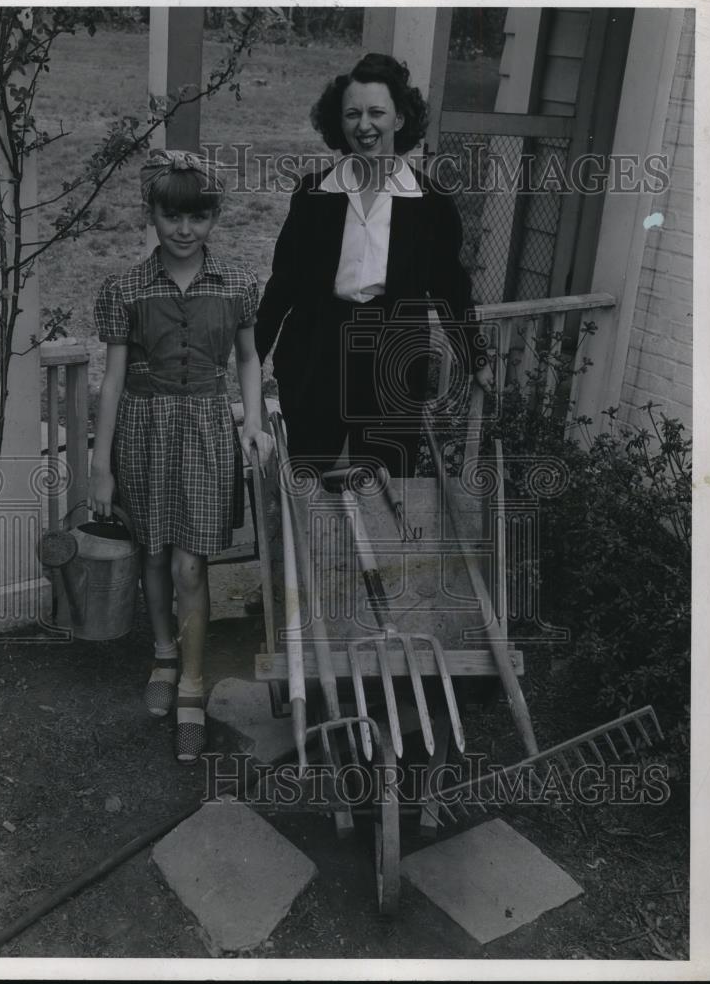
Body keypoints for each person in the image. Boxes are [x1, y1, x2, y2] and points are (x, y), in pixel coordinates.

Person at [88, 148, 273, 764]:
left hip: (205, 431)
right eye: (173, 217)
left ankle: (193, 683)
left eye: (198, 217)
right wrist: (101, 465)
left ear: (213, 218)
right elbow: (112, 382)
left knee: (194, 565)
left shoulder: (240, 284)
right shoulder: (125, 288)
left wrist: (251, 421)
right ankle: (163, 652)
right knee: (154, 553)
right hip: (142, 431)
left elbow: (248, 358)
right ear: (154, 216)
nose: (185, 230)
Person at [255, 53, 492, 479]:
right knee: (309, 481)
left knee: (385, 489)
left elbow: (450, 288)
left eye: (376, 112)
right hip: (316, 352)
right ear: (339, 122)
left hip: (393, 357)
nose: (364, 125)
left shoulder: (431, 203)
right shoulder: (314, 194)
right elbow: (284, 283)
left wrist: (476, 356)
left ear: (399, 120)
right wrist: (252, 353)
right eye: (353, 113)